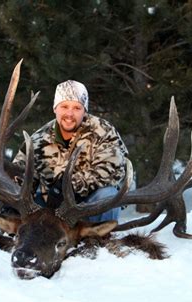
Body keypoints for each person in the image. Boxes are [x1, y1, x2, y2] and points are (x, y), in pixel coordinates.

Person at [12, 80, 128, 222]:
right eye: (64, 106)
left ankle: (100, 241)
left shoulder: (103, 130)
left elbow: (111, 171)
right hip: (50, 208)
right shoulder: (37, 139)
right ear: (55, 108)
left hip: (87, 206)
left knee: (108, 195)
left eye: (77, 108)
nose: (69, 114)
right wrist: (13, 192)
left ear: (84, 110)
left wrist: (69, 187)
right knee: (11, 196)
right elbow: (21, 173)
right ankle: (3, 235)